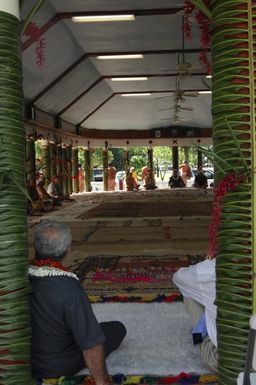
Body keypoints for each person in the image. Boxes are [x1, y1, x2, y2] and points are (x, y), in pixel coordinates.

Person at [29, 220, 126, 381]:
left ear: (35, 247)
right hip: (57, 365)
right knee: (116, 329)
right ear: (67, 250)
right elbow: (91, 343)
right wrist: (102, 381)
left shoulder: (21, 277)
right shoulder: (68, 287)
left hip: (28, 360)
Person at [173, 258, 218, 373]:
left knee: (190, 292)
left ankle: (201, 336)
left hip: (227, 361)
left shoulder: (210, 269)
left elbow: (178, 277)